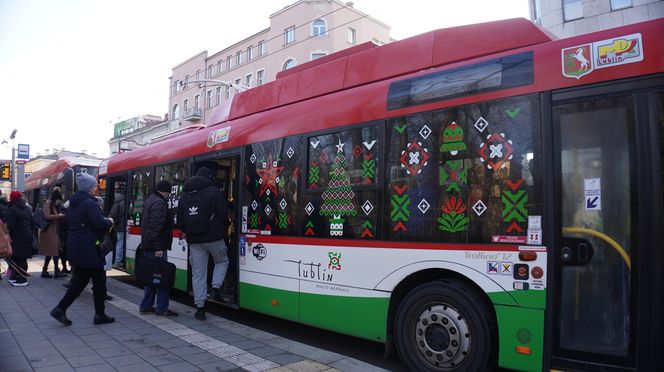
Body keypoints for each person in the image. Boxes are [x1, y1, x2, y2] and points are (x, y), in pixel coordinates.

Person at [50, 173, 114, 326]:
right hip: (90, 248)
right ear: (89, 188)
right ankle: (99, 315)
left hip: (77, 246)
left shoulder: (74, 203)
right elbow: (99, 223)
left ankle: (60, 309)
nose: (95, 188)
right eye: (94, 186)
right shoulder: (89, 203)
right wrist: (108, 221)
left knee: (80, 282)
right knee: (98, 282)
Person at [177, 167, 230, 320]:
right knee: (222, 261)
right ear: (208, 178)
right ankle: (215, 287)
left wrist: (191, 230)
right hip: (214, 238)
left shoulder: (184, 196)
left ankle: (200, 308)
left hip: (194, 241)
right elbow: (223, 213)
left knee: (198, 273)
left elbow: (180, 221)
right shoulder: (214, 192)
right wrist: (223, 227)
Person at [139, 180, 178, 317]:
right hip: (156, 246)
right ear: (166, 191)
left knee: (151, 277)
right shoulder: (159, 203)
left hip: (149, 245)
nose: (169, 195)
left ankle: (146, 305)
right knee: (161, 278)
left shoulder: (151, 200)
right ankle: (162, 308)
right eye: (169, 192)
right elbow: (156, 227)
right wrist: (158, 247)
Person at [5, 191, 33, 286]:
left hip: (17, 236)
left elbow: (11, 224)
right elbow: (32, 221)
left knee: (17, 257)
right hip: (27, 234)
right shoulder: (27, 208)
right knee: (22, 257)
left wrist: (8, 233)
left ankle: (22, 279)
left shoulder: (12, 209)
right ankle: (17, 277)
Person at [38, 188, 67, 278]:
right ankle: (56, 271)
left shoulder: (52, 205)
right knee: (55, 251)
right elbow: (47, 216)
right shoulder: (48, 204)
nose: (58, 202)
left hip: (52, 230)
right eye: (58, 200)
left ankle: (45, 270)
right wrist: (59, 215)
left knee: (50, 252)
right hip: (49, 231)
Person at [109, 190, 126, 269]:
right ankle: (118, 261)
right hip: (123, 226)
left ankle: (117, 262)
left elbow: (113, 215)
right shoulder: (125, 202)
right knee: (121, 243)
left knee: (119, 243)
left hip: (118, 226)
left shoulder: (117, 202)